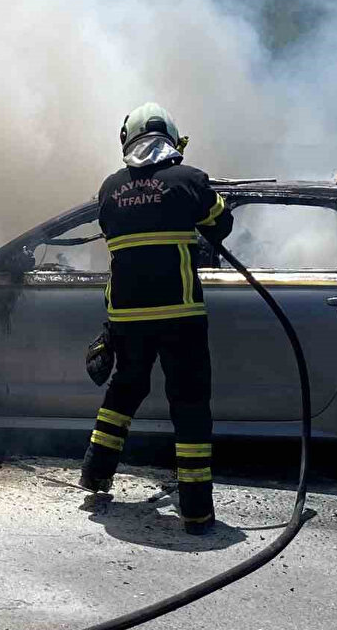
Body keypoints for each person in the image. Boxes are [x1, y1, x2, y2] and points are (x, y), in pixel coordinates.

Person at [80, 102, 233, 535]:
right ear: (172, 137)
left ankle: (95, 474)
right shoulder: (190, 179)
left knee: (124, 392)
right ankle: (197, 512)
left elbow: (121, 238)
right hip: (180, 314)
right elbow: (221, 225)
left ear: (127, 140)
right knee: (189, 406)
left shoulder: (110, 189)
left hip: (126, 316)